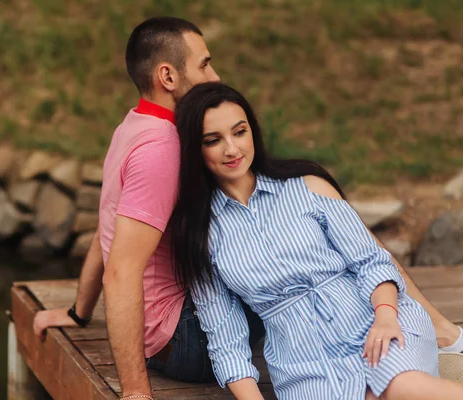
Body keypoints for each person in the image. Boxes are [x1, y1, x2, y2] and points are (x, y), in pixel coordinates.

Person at [32, 16, 463, 400]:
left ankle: (425, 325)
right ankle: (435, 326)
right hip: (184, 337)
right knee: (317, 239)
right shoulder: (164, 151)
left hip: (332, 319)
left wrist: (79, 310)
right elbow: (122, 268)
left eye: (239, 132)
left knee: (329, 217)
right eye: (203, 64)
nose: (213, 73)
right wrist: (135, 392)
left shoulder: (132, 126)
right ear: (167, 75)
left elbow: (109, 228)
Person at [170, 81, 463, 399]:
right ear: (195, 150)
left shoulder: (308, 185)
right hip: (303, 362)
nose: (232, 149)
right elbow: (225, 338)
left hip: (374, 321)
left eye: (239, 132)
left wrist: (386, 316)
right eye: (214, 140)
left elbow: (370, 261)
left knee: (401, 389)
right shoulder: (200, 234)